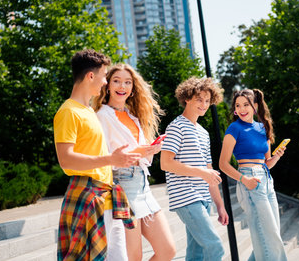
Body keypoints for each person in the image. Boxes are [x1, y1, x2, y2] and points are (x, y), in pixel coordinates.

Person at [54, 49, 140, 261]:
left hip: (106, 200)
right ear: (90, 76)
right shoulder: (68, 112)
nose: (105, 83)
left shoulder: (89, 111)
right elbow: (66, 160)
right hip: (87, 196)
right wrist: (111, 159)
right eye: (103, 76)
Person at [93, 63, 176, 261]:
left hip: (143, 187)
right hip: (121, 187)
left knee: (168, 251)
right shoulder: (101, 116)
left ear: (132, 88)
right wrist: (140, 151)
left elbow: (142, 158)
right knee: (133, 257)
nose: (122, 86)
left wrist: (151, 150)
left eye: (127, 82)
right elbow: (104, 158)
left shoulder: (133, 117)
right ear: (107, 85)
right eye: (117, 81)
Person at [160, 77, 229, 261]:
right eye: (199, 99)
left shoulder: (203, 133)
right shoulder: (176, 126)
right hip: (186, 197)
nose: (204, 105)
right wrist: (202, 172)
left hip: (203, 199)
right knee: (215, 248)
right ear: (187, 98)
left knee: (196, 254)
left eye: (207, 101)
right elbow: (165, 163)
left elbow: (210, 173)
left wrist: (220, 206)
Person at [219, 89, 287, 261]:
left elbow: (266, 163)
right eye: (237, 105)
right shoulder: (234, 128)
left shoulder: (262, 128)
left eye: (246, 104)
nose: (242, 109)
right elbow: (223, 164)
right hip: (249, 180)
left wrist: (277, 156)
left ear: (255, 106)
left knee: (270, 235)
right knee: (270, 237)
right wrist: (244, 180)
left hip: (266, 180)